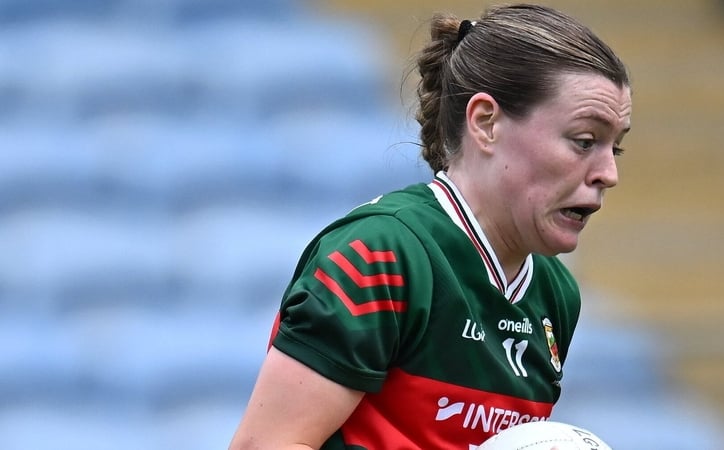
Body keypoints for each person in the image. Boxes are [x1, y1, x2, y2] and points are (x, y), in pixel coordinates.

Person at [229, 3, 631, 449]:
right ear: (486, 123)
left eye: (615, 148)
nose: (608, 173)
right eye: (584, 141)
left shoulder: (556, 291)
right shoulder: (379, 254)